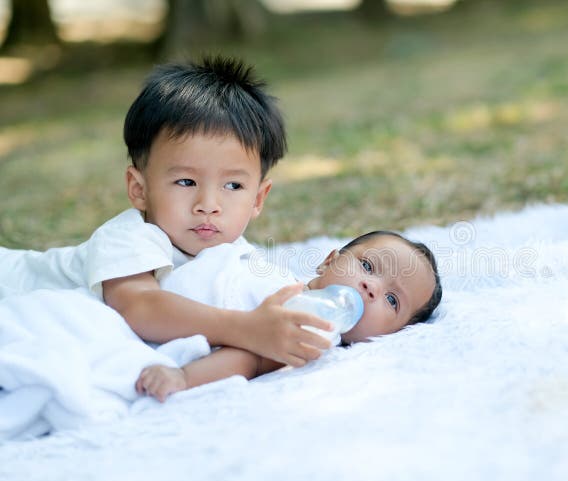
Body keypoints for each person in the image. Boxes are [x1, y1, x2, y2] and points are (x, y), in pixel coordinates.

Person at [0, 55, 333, 368]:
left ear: (258, 199)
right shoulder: (129, 237)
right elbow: (140, 307)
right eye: (186, 181)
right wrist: (246, 328)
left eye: (233, 186)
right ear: (139, 189)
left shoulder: (233, 255)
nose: (208, 204)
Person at [136, 231, 443, 402]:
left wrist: (184, 377)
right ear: (327, 261)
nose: (371, 287)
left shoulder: (317, 332)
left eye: (392, 300)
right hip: (154, 289)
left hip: (157, 322)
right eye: (367, 266)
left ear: (395, 334)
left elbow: (249, 359)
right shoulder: (282, 280)